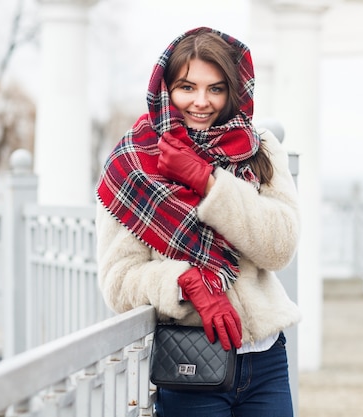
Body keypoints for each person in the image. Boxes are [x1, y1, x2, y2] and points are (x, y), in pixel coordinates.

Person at [95, 27, 301, 417]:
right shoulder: (132, 162)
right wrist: (185, 282)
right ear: (165, 89)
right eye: (187, 87)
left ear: (233, 91)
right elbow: (117, 278)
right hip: (191, 363)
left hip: (266, 361)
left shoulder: (260, 147)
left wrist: (208, 183)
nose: (201, 102)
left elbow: (281, 246)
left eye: (216, 89)